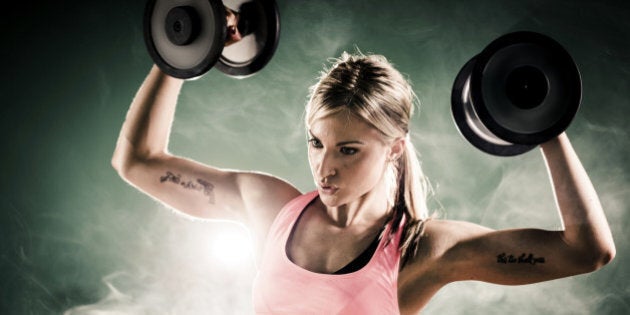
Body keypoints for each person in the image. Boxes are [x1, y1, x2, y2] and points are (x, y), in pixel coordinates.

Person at [111, 52, 615, 314]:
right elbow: (137, 161)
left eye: (348, 150)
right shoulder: (268, 207)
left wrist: (545, 125)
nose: (324, 168)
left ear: (394, 147)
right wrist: (180, 56)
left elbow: (586, 250)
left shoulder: (424, 251)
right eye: (316, 143)